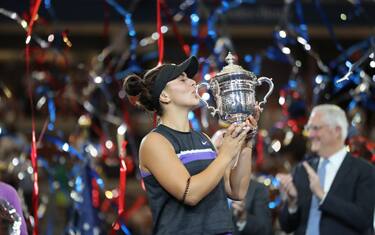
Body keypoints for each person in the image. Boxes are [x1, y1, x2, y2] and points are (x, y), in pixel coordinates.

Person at [123, 56, 260, 235]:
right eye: (182, 80)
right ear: (164, 96)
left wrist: (246, 143)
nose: (193, 83)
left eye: (189, 78)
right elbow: (190, 194)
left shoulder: (204, 139)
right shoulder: (154, 142)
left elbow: (236, 190)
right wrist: (225, 154)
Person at [277, 104, 375, 235]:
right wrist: (292, 204)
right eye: (309, 128)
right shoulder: (303, 169)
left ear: (337, 131)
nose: (310, 134)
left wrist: (322, 196)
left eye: (316, 128)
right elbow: (286, 226)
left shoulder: (364, 170)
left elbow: (364, 220)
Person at [212, 130, 273, 235]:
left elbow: (266, 230)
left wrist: (243, 218)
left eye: (225, 149)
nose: (220, 154)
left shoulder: (258, 189)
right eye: (216, 149)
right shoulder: (204, 186)